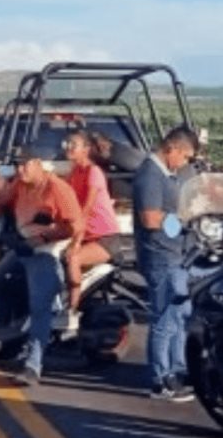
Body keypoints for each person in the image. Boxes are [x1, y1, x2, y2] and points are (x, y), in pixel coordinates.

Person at [0, 151, 84, 384]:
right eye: (16, 165)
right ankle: (7, 338)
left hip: (47, 250)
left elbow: (73, 226)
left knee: (39, 306)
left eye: (23, 165)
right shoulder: (20, 184)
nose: (19, 170)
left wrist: (42, 239)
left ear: (36, 163)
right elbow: (1, 202)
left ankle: (33, 365)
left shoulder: (57, 188)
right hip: (24, 246)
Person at [133, 126, 198, 403]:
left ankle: (178, 370)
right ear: (172, 148)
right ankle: (160, 380)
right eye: (184, 156)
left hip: (176, 254)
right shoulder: (151, 175)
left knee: (180, 316)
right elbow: (149, 219)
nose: (184, 163)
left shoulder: (167, 174)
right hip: (161, 255)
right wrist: (181, 219)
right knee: (164, 318)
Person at [63, 130, 122, 318]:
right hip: (88, 236)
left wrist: (76, 242)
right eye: (67, 144)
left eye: (74, 145)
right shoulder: (75, 172)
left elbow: (85, 211)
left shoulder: (93, 172)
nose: (69, 148)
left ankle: (71, 310)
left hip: (104, 238)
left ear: (86, 149)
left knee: (73, 257)